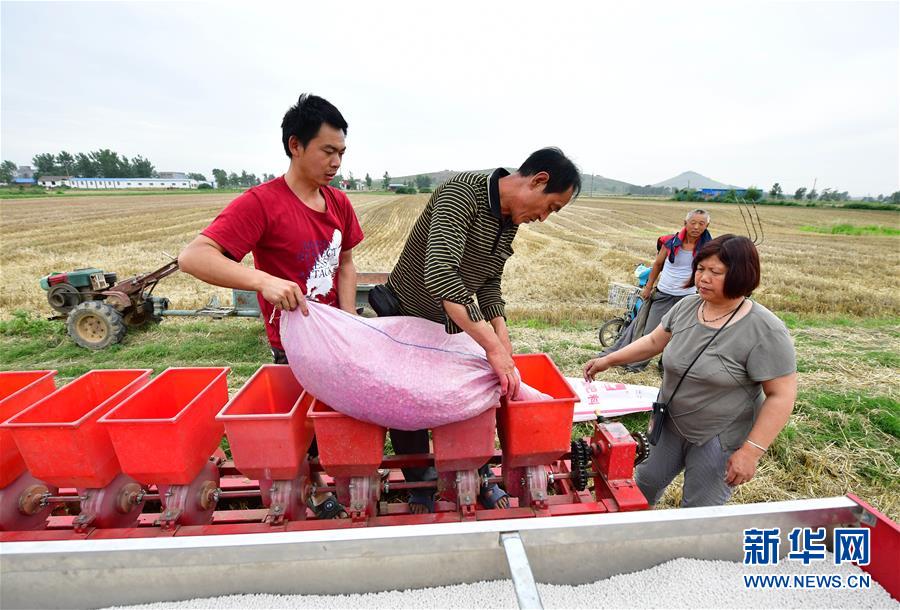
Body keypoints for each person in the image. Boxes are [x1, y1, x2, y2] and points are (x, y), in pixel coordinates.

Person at [178, 93, 363, 518]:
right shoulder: (263, 203)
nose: (336, 163)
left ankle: (347, 472)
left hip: (335, 332)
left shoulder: (338, 202)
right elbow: (195, 256)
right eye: (327, 151)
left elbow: (348, 260)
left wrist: (350, 316)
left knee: (338, 412)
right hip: (293, 341)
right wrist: (263, 280)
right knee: (303, 421)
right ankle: (311, 486)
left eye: (342, 153)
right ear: (295, 145)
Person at [374, 147, 581, 513]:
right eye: (551, 207)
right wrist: (490, 346)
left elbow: (488, 283)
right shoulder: (462, 193)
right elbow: (440, 273)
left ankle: (477, 474)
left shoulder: (508, 220)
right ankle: (421, 483)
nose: (544, 218)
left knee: (471, 397)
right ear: (538, 180)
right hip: (407, 317)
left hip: (451, 324)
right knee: (409, 403)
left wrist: (501, 336)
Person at [582, 235, 797, 507]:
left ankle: (687, 551)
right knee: (641, 487)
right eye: (700, 269)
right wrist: (609, 359)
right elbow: (653, 342)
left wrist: (751, 452)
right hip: (669, 422)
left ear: (742, 274)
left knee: (699, 507)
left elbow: (781, 396)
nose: (703, 278)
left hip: (718, 435)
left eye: (715, 272)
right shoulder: (686, 306)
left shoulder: (765, 330)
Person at [600, 209, 712, 372]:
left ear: (707, 225)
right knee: (650, 332)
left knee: (679, 334)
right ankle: (636, 366)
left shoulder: (709, 248)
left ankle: (665, 367)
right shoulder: (670, 243)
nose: (696, 227)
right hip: (664, 294)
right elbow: (658, 265)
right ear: (685, 223)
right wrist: (648, 287)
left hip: (687, 298)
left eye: (701, 224)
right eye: (693, 222)